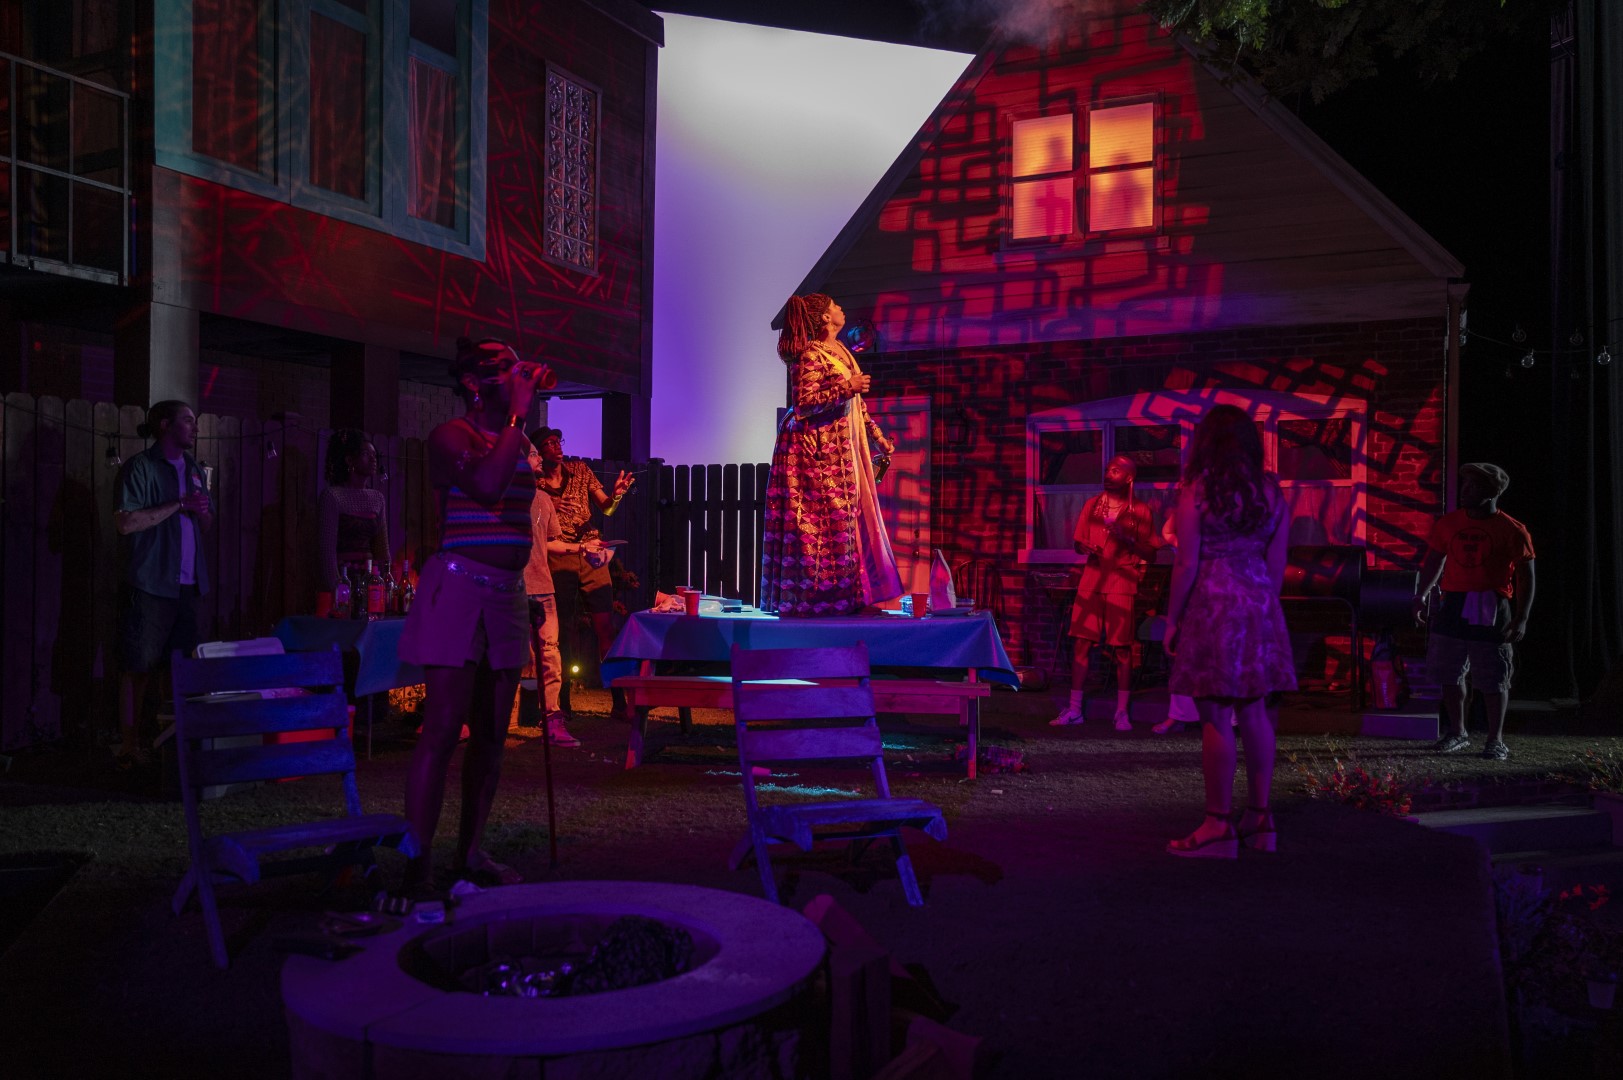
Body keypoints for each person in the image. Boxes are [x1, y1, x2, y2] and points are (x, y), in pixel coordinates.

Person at [398, 337, 552, 891]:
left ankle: (469, 855)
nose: (516, 375)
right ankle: (416, 864)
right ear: (471, 382)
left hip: (506, 594)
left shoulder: (517, 439)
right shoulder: (450, 436)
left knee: (491, 736)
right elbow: (486, 485)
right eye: (503, 368)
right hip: (459, 587)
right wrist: (517, 416)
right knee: (442, 730)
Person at [1163, 405, 1295, 858]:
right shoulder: (1271, 491)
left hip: (1214, 601)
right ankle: (1260, 819)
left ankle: (1217, 826)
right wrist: (1264, 609)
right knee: (1255, 712)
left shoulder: (1198, 490)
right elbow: (1278, 561)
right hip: (1259, 599)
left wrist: (1172, 619)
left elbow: (1186, 562)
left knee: (1216, 715)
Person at [760, 292, 903, 616]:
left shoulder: (839, 351)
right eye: (835, 306)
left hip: (844, 452)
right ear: (825, 318)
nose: (840, 308)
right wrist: (847, 387)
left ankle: (850, 598)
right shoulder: (810, 354)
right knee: (825, 527)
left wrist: (878, 438)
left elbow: (856, 405)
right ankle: (817, 602)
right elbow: (804, 403)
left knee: (848, 523)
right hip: (818, 454)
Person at [113, 400, 214, 767]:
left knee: (181, 667)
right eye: (188, 421)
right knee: (137, 667)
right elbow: (125, 523)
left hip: (188, 586)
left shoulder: (193, 468)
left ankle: (172, 746)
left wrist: (202, 511)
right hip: (151, 583)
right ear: (165, 425)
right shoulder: (140, 467)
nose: (195, 428)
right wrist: (179, 504)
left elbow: (206, 523)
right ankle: (129, 747)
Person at [1413, 462, 1535, 762]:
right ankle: (1457, 732)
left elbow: (1526, 575)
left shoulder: (1512, 529)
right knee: (1449, 673)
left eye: (1474, 486)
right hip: (1453, 602)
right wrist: (1421, 594)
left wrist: (1521, 617)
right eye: (1465, 484)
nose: (1465, 491)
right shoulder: (1449, 523)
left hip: (1490, 604)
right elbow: (1434, 560)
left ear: (1492, 492)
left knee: (1493, 676)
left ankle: (1495, 740)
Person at [532, 427, 633, 714]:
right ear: (539, 451)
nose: (557, 446)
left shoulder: (579, 470)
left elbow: (606, 508)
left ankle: (618, 700)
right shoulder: (535, 484)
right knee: (561, 630)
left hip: (591, 553)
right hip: (559, 554)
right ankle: (561, 702)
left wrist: (616, 496)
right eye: (549, 443)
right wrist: (551, 504)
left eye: (558, 441)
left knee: (605, 626)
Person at [1051, 456, 1156, 729]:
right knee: (1081, 644)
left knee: (1122, 649)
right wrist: (1083, 547)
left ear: (1129, 478)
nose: (1108, 474)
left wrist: (1126, 538)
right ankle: (1075, 709)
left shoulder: (1140, 511)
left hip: (1121, 582)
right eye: (1108, 469)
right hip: (1092, 580)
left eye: (1116, 471)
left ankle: (1121, 711)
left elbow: (1151, 553)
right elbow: (1078, 542)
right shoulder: (1092, 505)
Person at [524, 430, 609, 748]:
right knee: (516, 652)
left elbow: (552, 541)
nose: (540, 456)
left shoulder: (548, 497)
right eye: (536, 451)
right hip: (524, 580)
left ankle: (555, 719)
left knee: (553, 650)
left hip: (553, 577)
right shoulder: (515, 496)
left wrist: (581, 549)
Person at [317, 429, 390, 593]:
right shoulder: (332, 497)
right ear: (349, 460)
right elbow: (327, 553)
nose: (373, 459)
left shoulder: (377, 498)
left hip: (370, 580)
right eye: (365, 454)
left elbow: (382, 549)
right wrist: (338, 589)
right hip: (342, 577)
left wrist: (384, 583)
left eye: (374, 455)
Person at [1151, 514, 1201, 735]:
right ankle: (1180, 714)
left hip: (1216, 601)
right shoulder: (1189, 543)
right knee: (1186, 658)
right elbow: (1168, 531)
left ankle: (1228, 719)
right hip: (1198, 602)